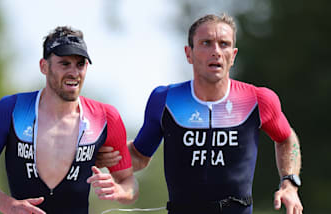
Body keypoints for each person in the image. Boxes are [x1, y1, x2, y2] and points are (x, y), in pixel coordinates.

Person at [96, 14, 303, 214]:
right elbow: (140, 156)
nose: (216, 51)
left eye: (224, 44)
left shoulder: (259, 99)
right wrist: (100, 154)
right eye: (206, 43)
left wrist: (290, 182)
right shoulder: (164, 99)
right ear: (189, 53)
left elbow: (286, 138)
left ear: (233, 55)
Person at [0, 26, 138, 214]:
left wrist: (120, 190)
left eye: (80, 64)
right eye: (65, 64)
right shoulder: (12, 109)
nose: (74, 73)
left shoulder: (105, 117)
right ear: (44, 66)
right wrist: (7, 204)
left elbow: (129, 182)